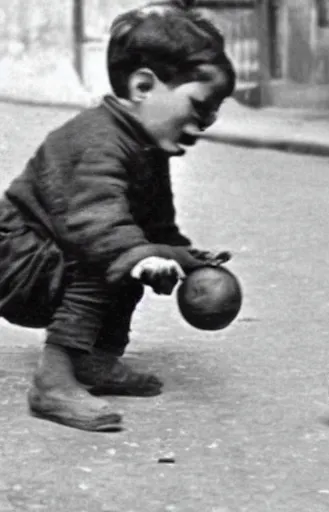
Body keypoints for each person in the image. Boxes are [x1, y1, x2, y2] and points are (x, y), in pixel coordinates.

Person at [0, 0, 236, 431]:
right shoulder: (96, 140)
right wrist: (141, 255)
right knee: (112, 257)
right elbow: (96, 225)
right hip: (17, 261)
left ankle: (97, 361)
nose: (206, 121)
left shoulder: (147, 148)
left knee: (134, 251)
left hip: (59, 252)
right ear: (144, 86)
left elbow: (158, 228)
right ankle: (52, 382)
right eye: (201, 104)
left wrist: (188, 258)